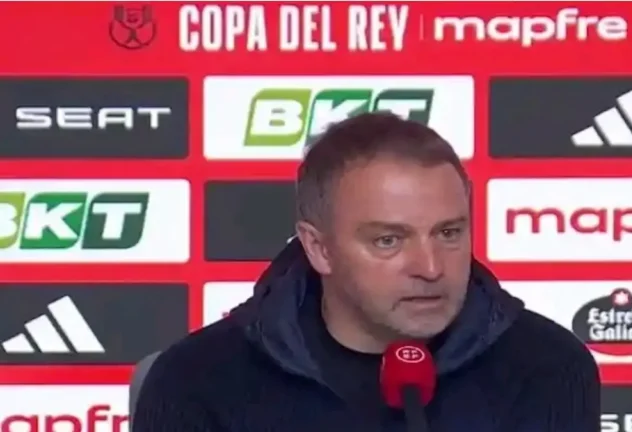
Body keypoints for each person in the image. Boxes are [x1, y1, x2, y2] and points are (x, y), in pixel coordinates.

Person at [131, 112, 600, 431]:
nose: (431, 267)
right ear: (319, 248)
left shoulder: (546, 366)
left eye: (449, 233)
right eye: (388, 241)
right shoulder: (198, 380)